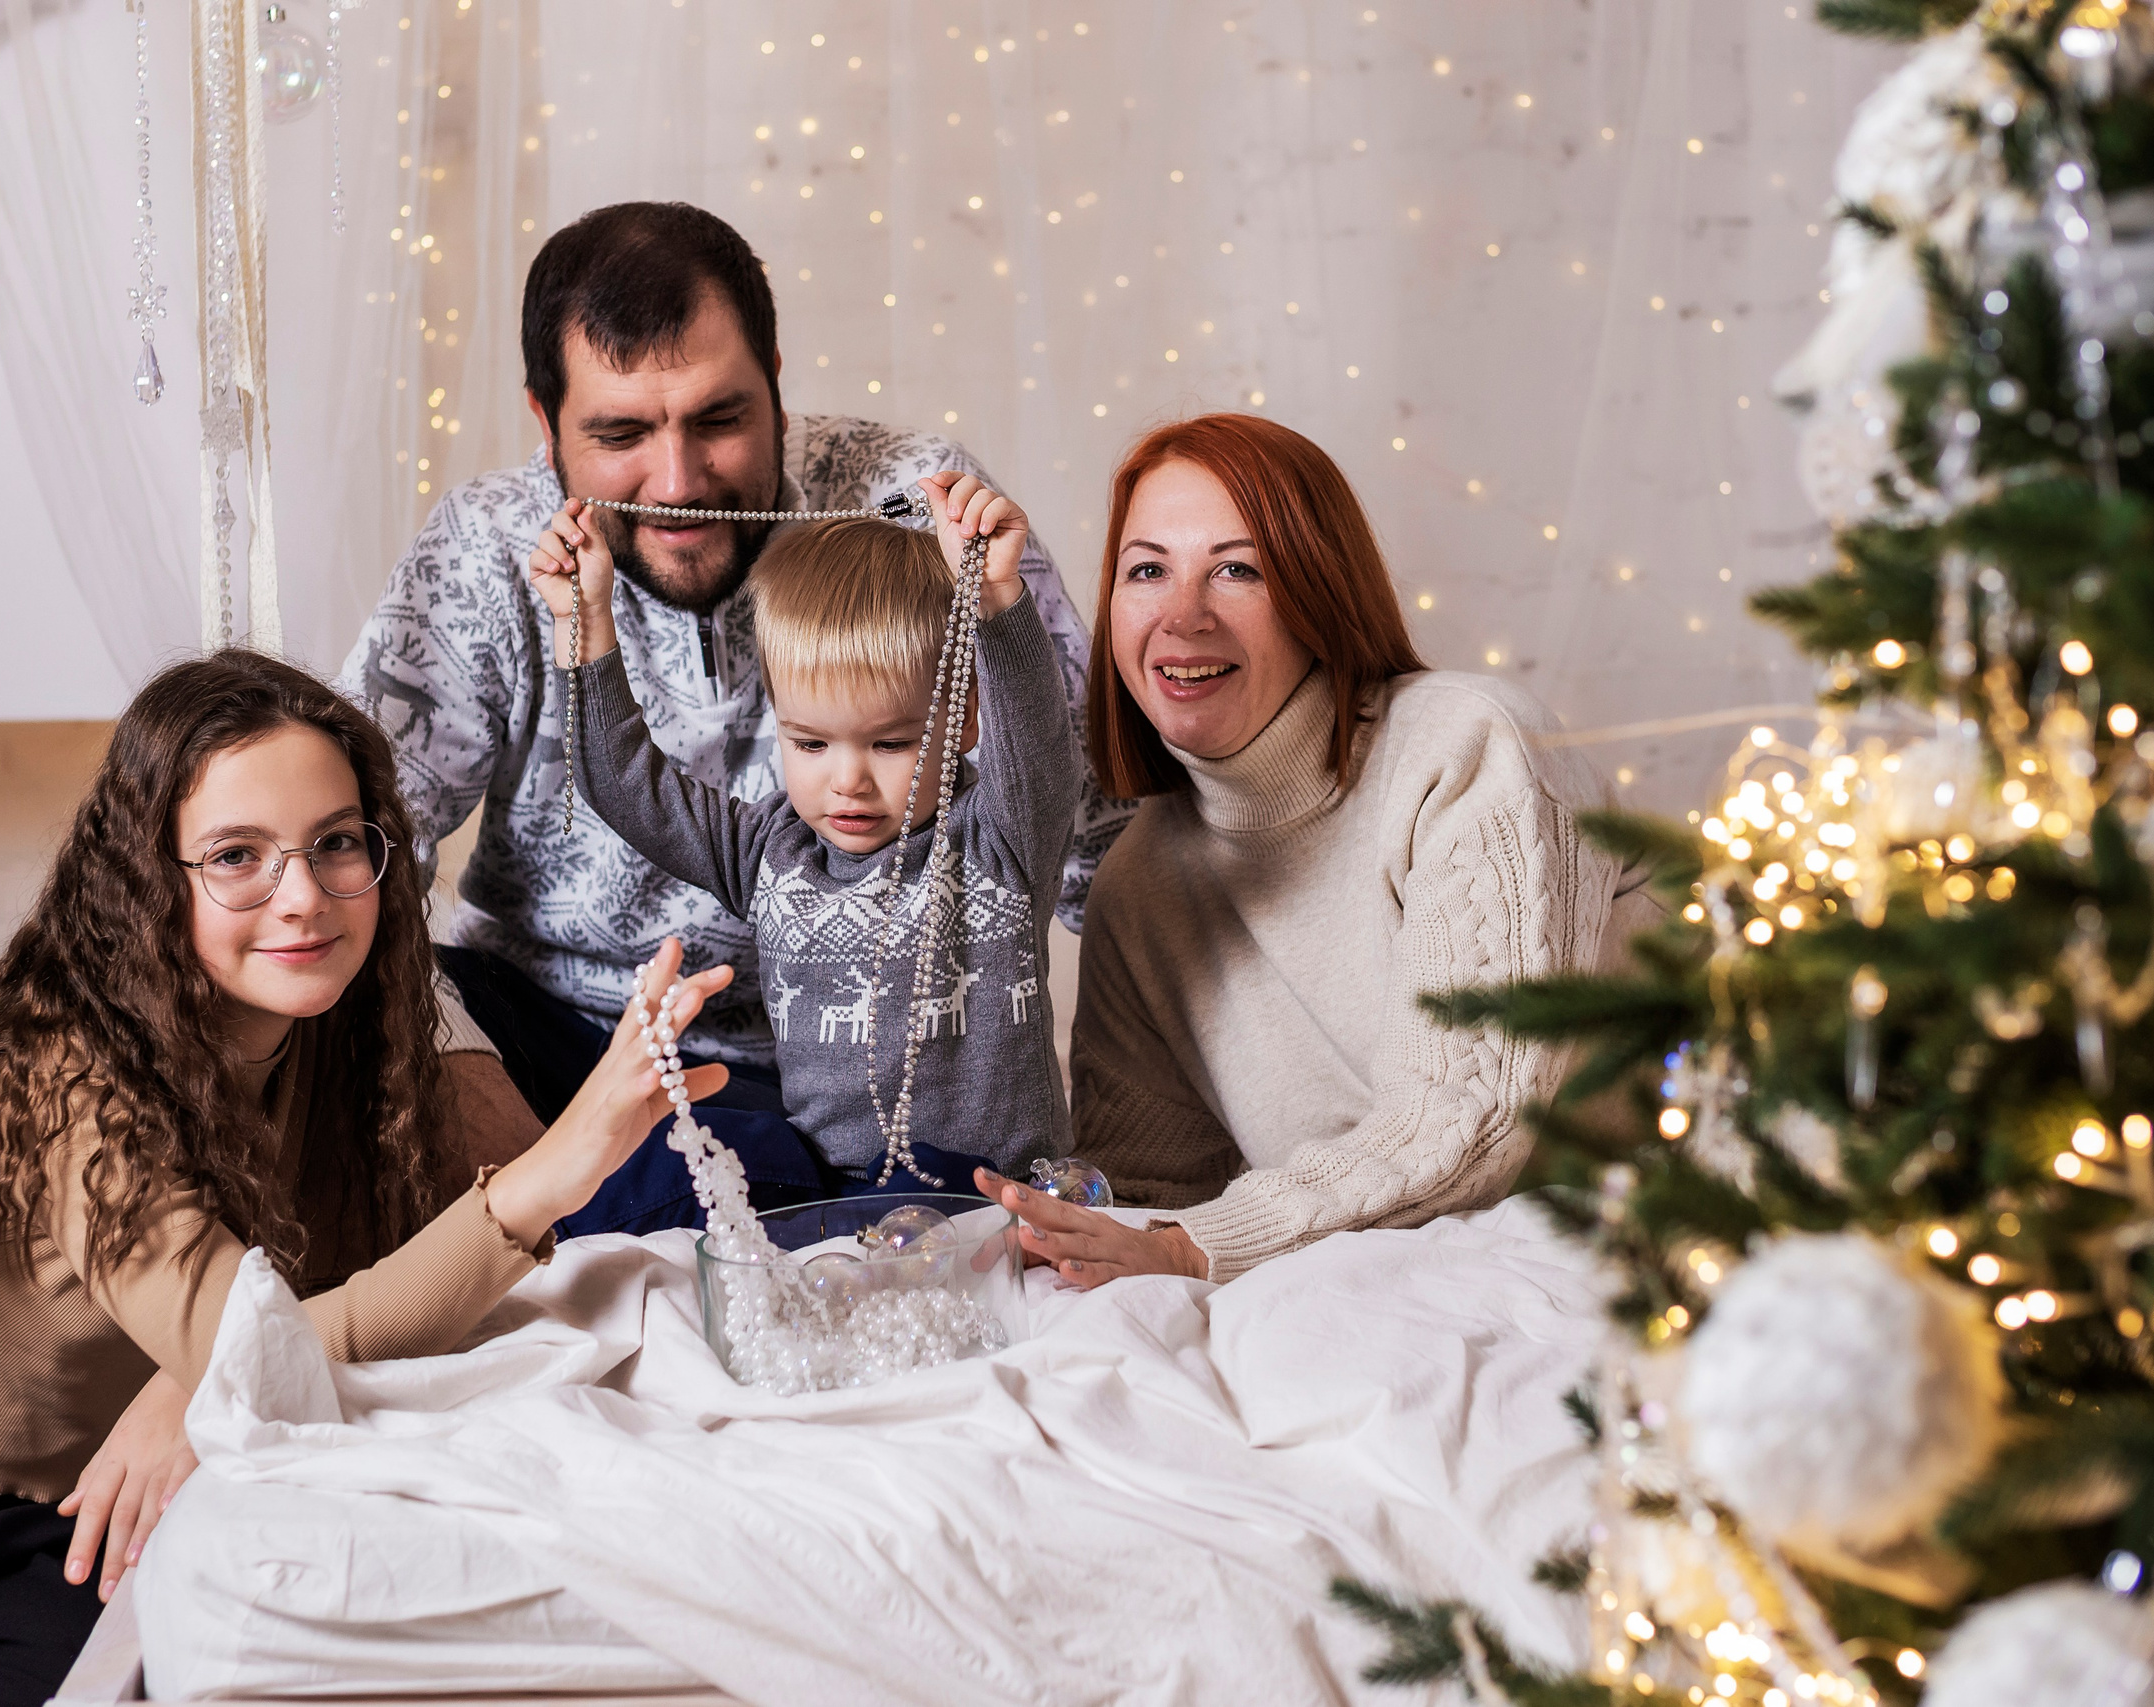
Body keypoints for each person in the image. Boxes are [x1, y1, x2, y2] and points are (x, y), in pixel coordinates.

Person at [0, 651, 734, 1707]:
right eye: (236, 855)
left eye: (335, 844)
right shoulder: (63, 1068)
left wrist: (190, 1386)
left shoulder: (345, 1041)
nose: (301, 896)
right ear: (144, 878)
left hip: (54, 1510)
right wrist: (543, 1180)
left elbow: (294, 1325)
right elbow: (256, 1346)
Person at [340, 202, 1129, 1200]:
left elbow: (1086, 820)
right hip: (541, 1029)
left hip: (799, 1086)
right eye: (620, 432)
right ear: (545, 428)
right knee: (381, 1012)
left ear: (778, 388)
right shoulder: (483, 550)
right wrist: (457, 1075)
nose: (678, 481)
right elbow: (351, 849)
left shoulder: (913, 507)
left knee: (738, 1182)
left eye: (718, 419)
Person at [975, 414, 1646, 1286]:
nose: (1184, 615)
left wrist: (1188, 1247)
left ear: (1317, 593)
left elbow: (1469, 1122)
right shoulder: (1137, 886)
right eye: (1148, 570)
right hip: (1389, 1288)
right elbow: (1152, 1191)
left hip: (1650, 1246)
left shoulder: (1467, 749)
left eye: (1237, 569)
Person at [523, 472, 1074, 1210]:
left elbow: (1037, 739)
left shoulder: (999, 840)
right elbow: (628, 785)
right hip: (833, 1193)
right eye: (810, 743)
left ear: (964, 722)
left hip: (994, 1196)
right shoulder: (769, 852)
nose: (847, 780)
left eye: (890, 742)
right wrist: (583, 618)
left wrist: (999, 595)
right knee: (675, 1155)